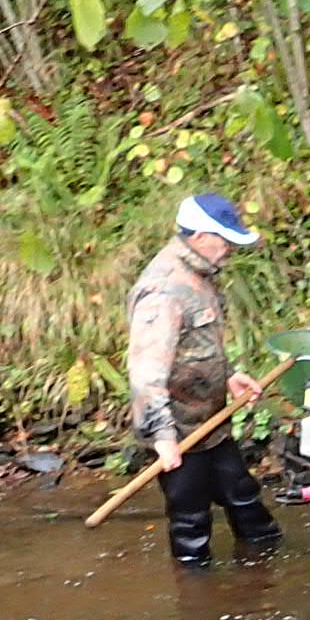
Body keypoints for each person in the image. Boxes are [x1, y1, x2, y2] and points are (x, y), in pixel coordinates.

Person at [125, 190, 275, 567]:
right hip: (178, 430)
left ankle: (268, 562)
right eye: (224, 240)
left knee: (243, 495)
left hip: (211, 420)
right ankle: (195, 604)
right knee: (191, 521)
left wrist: (229, 376)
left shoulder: (201, 274)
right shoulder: (164, 291)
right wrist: (162, 438)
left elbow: (196, 344)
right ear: (199, 236)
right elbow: (146, 373)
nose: (229, 248)